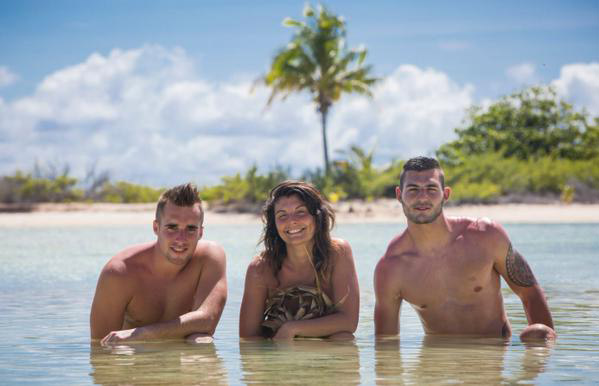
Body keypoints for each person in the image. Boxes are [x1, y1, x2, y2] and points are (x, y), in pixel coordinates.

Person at [374, 157, 556, 341]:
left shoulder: (485, 235)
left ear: (446, 194)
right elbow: (385, 344)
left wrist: (545, 353)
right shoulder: (391, 267)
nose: (422, 197)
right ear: (399, 194)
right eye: (413, 190)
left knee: (538, 332)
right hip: (438, 363)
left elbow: (529, 292)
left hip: (493, 355)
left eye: (431, 189)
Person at [90, 183, 227, 345]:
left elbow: (208, 319)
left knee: (201, 341)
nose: (181, 239)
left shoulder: (210, 258)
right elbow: (100, 346)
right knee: (119, 349)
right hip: (137, 360)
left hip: (183, 360)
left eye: (190, 229)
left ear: (201, 232)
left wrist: (139, 333)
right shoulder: (120, 273)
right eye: (172, 227)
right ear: (156, 227)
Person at [239, 180, 359, 340]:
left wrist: (292, 328)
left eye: (300, 212)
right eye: (282, 215)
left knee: (344, 338)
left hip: (322, 352)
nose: (291, 221)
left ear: (317, 217)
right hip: (279, 351)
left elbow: (349, 322)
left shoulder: (337, 253)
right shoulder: (260, 268)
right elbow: (248, 338)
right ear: (274, 224)